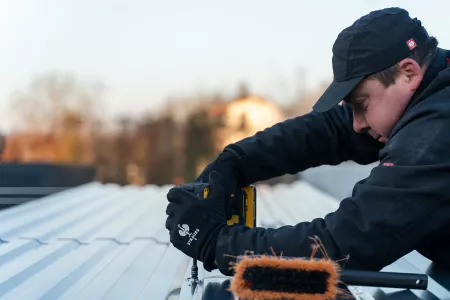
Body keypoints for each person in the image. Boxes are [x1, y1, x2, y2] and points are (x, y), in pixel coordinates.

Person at [165, 7, 450, 276]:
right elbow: (330, 130)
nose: (356, 123)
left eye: (361, 104)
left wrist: (220, 246)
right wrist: (236, 160)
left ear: (408, 72)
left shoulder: (437, 133)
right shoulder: (429, 87)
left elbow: (348, 242)